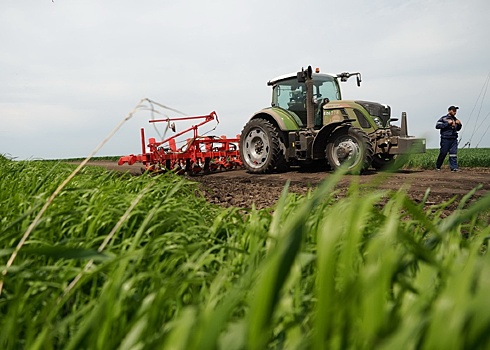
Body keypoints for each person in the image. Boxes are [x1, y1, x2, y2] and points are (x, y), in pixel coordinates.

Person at [435, 105, 462, 171]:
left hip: (453, 138)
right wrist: (448, 123)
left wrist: (459, 124)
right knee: (443, 153)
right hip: (445, 138)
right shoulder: (443, 118)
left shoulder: (455, 119)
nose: (455, 112)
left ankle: (454, 168)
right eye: (454, 111)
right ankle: (438, 166)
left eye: (455, 111)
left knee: (453, 153)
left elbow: (458, 129)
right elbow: (437, 126)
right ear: (449, 111)